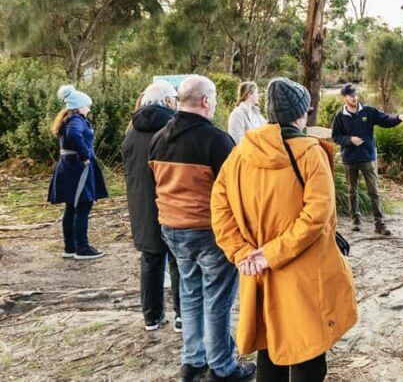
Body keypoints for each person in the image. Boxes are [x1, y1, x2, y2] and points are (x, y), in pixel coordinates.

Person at [211, 77, 358, 382]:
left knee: (270, 347)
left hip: (259, 273)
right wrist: (272, 253)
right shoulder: (309, 152)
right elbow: (318, 214)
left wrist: (243, 254)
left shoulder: (239, 154)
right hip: (303, 271)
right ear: (300, 114)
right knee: (308, 350)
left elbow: (219, 210)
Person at [149, 75, 255, 382]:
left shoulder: (159, 138)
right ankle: (223, 367)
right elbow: (238, 191)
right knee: (217, 300)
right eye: (215, 99)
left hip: (172, 229)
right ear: (206, 101)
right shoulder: (216, 140)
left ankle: (193, 361)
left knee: (191, 294)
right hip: (210, 232)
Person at [121, 81, 182, 333]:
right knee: (179, 260)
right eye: (175, 98)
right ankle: (182, 316)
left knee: (150, 259)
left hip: (141, 204)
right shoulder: (173, 129)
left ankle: (151, 316)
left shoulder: (131, 132)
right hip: (172, 202)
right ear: (168, 101)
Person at [331, 84, 403, 235]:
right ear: (344, 98)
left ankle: (379, 224)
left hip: (367, 157)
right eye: (350, 95)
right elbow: (335, 136)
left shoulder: (368, 111)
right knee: (351, 191)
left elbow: (386, 120)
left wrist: (398, 117)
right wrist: (350, 140)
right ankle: (355, 221)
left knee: (373, 192)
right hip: (350, 159)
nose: (354, 97)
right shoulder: (340, 116)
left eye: (355, 94)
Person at [48, 85, 108, 260]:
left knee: (71, 207)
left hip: (68, 168)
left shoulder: (68, 118)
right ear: (79, 106)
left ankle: (70, 247)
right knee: (83, 205)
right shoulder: (76, 120)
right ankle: (82, 247)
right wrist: (84, 155)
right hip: (77, 169)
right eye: (87, 105)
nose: (89, 108)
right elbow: (75, 135)